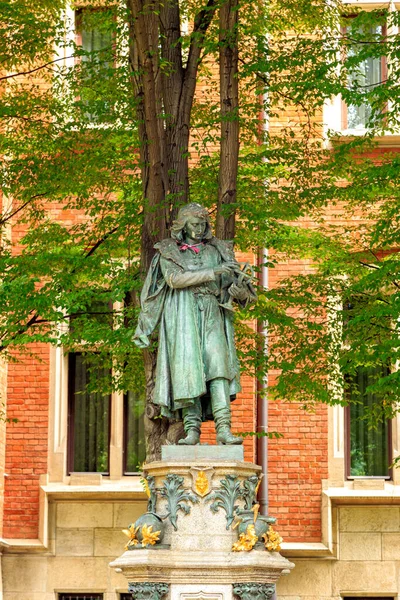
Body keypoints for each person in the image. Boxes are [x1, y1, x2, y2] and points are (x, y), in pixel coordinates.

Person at [134, 203, 256, 445]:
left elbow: (234, 292)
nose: (200, 228)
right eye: (194, 224)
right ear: (183, 226)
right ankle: (192, 431)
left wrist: (239, 286)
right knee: (188, 372)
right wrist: (214, 272)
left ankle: (224, 428)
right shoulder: (170, 253)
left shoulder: (218, 251)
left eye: (203, 224)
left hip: (212, 312)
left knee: (218, 368)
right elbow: (175, 280)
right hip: (183, 315)